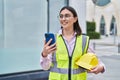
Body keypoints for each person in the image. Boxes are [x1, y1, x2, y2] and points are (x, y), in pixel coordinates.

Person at [40, 6, 105, 80]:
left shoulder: (84, 40)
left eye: (67, 16)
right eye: (61, 16)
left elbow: (96, 61)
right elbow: (45, 67)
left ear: (75, 19)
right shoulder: (54, 39)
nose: (63, 19)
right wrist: (44, 54)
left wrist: (101, 67)